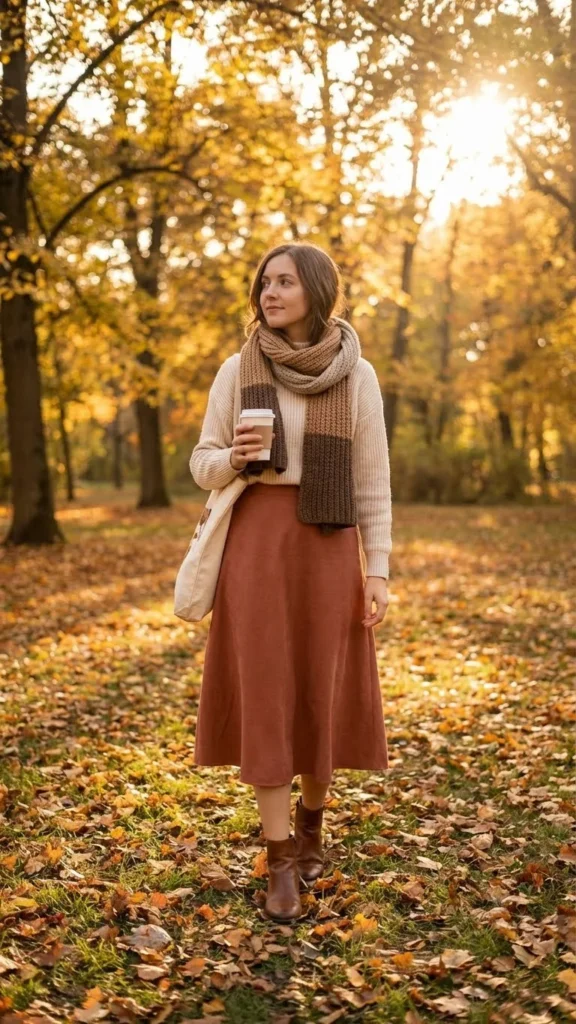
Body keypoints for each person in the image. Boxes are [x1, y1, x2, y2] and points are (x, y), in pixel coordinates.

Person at [190, 242, 392, 921]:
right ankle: (280, 860)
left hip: (330, 545)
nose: (268, 294)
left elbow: (373, 482)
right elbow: (200, 462)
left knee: (320, 689)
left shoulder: (354, 374)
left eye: (283, 282)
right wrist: (235, 460)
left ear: (314, 289)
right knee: (270, 691)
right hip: (258, 545)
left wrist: (379, 569)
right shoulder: (236, 370)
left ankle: (312, 826)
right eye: (263, 283)